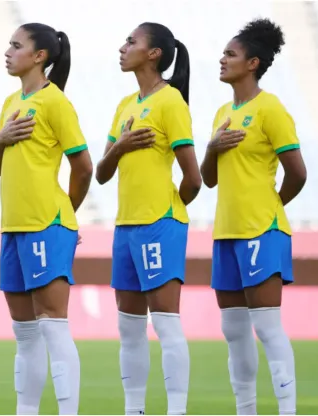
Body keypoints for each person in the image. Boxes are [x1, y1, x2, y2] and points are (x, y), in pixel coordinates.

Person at [94, 23, 202, 416]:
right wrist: (120, 146)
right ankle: (134, 410)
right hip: (126, 227)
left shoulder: (171, 102)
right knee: (128, 328)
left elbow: (193, 179)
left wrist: (168, 212)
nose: (123, 47)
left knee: (166, 324)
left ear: (154, 53)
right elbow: (102, 173)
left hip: (159, 223)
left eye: (131, 42)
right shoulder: (125, 106)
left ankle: (176, 410)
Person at [201, 18, 306, 416]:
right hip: (226, 232)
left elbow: (297, 172)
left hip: (262, 229)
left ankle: (286, 410)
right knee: (233, 331)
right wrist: (211, 147)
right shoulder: (222, 113)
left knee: (266, 326)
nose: (223, 59)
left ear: (253, 63)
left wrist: (273, 206)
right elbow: (209, 179)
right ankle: (246, 411)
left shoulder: (270, 108)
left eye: (231, 53)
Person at [0, 23, 93, 415]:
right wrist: (0, 140)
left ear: (39, 57)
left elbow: (82, 166)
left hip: (46, 225)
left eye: (16, 45)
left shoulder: (55, 102)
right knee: (24, 333)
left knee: (52, 325)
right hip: (13, 228)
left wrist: (64, 216)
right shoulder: (10, 103)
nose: (8, 51)